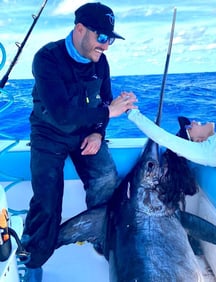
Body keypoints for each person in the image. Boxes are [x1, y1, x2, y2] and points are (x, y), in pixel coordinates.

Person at [21, 3, 137, 282]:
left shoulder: (101, 63)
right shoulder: (47, 58)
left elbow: (105, 102)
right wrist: (109, 112)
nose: (106, 46)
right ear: (80, 29)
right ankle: (34, 258)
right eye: (102, 38)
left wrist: (99, 131)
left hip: (86, 134)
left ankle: (100, 235)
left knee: (107, 177)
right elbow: (60, 114)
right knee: (47, 200)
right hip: (49, 134)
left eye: (110, 40)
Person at [127, 20, 216, 183]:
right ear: (196, 142)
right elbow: (162, 137)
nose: (192, 122)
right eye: (189, 127)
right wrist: (131, 112)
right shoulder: (208, 152)